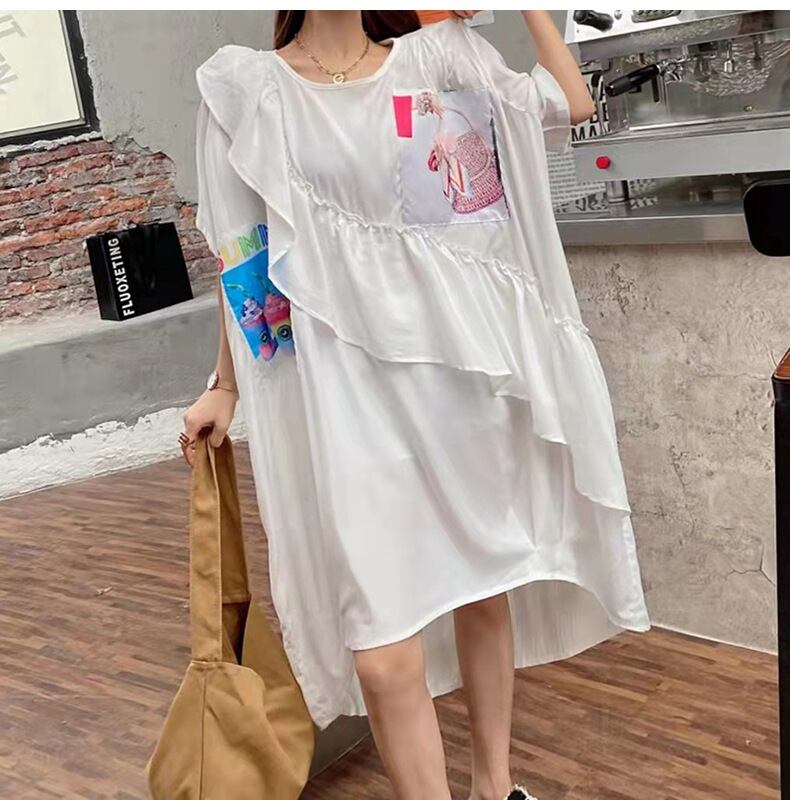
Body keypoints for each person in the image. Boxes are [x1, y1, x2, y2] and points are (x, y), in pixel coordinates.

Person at [182, 10, 651, 800]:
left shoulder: (439, 60)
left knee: (483, 589)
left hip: (455, 383)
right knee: (383, 652)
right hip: (346, 402)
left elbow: (569, 103)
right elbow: (249, 254)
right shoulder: (248, 88)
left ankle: (495, 787)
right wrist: (226, 384)